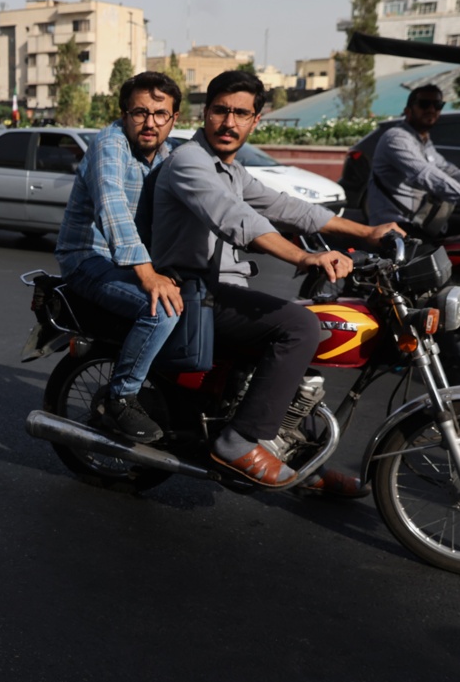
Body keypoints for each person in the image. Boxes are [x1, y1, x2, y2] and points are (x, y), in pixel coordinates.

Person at [151, 70, 400, 493]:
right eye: (221, 111)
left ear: (256, 120)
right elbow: (238, 219)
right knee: (300, 327)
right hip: (189, 292)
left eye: (241, 114)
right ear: (205, 113)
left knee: (314, 321)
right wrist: (306, 256)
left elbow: (287, 207)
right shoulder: (188, 162)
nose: (229, 123)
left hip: (219, 292)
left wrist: (369, 233)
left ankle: (301, 457)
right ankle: (237, 441)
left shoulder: (231, 169)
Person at [55, 71, 184, 441]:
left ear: (174, 119)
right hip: (88, 259)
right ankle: (121, 398)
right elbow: (111, 206)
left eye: (160, 113)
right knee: (161, 310)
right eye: (140, 112)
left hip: (130, 262)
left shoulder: (169, 154)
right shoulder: (109, 144)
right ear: (124, 114)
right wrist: (148, 275)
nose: (150, 122)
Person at [367, 84, 460, 384]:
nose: (432, 109)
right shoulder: (397, 138)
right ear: (408, 108)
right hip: (397, 228)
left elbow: (453, 174)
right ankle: (454, 376)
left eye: (438, 105)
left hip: (422, 222)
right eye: (424, 103)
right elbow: (425, 176)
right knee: (437, 295)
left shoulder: (423, 142)